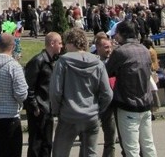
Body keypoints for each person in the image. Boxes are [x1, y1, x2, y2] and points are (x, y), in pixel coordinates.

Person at [50, 28, 113, 157]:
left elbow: (56, 91)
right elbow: (107, 93)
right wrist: (99, 109)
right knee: (90, 153)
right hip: (91, 115)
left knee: (60, 153)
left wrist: (57, 110)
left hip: (69, 115)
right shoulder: (98, 63)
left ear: (70, 43)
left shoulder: (63, 62)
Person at [106, 20, 157, 157]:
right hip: (146, 104)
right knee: (148, 144)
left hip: (127, 105)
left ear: (122, 34)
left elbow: (107, 72)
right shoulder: (145, 50)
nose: (115, 37)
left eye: (117, 34)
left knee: (132, 149)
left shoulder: (120, 52)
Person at [24, 31, 63, 157]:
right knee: (36, 143)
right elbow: (28, 87)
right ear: (52, 43)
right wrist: (34, 107)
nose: (61, 46)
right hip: (39, 109)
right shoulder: (38, 61)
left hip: (48, 108)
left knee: (47, 144)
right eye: (60, 43)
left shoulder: (53, 61)